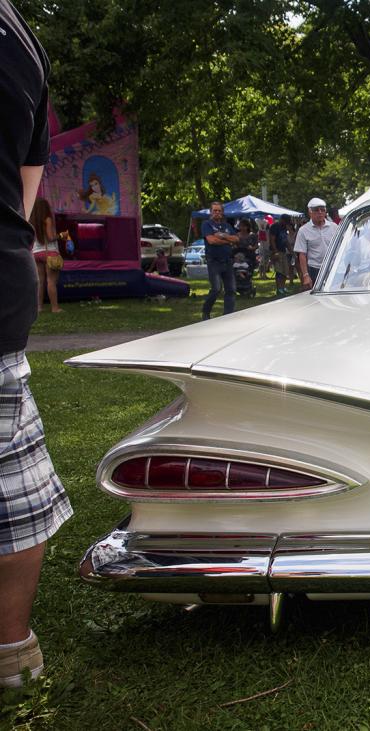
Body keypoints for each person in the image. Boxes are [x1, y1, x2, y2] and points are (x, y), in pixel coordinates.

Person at [0, 0, 74, 688]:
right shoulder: (23, 41)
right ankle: (13, 650)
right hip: (2, 275)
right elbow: (24, 196)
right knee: (11, 476)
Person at [200, 201, 239, 319]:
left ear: (222, 212)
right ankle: (206, 312)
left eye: (219, 211)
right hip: (214, 261)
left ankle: (228, 315)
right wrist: (228, 241)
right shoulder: (206, 224)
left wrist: (223, 236)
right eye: (215, 210)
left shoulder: (227, 226)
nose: (217, 213)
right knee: (216, 289)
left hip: (227, 261)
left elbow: (236, 239)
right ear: (211, 212)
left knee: (231, 289)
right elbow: (212, 241)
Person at [295, 197, 339, 289]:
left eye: (322, 210)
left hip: (334, 268)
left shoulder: (334, 227)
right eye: (316, 210)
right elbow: (302, 254)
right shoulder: (303, 230)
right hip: (315, 270)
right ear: (310, 212)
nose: (320, 212)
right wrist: (306, 275)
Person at [29, 197, 61, 313]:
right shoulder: (47, 219)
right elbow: (50, 237)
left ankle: (39, 307)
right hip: (50, 253)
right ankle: (55, 308)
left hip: (36, 253)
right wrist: (61, 236)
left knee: (40, 281)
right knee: (51, 281)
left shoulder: (31, 220)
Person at [269, 214, 290, 296]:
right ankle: (279, 289)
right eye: (285, 221)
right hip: (276, 251)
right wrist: (275, 251)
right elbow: (272, 240)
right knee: (279, 271)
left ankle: (283, 287)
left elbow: (285, 240)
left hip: (283, 251)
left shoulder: (284, 227)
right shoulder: (274, 226)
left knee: (285, 270)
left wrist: (291, 251)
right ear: (282, 219)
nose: (286, 223)